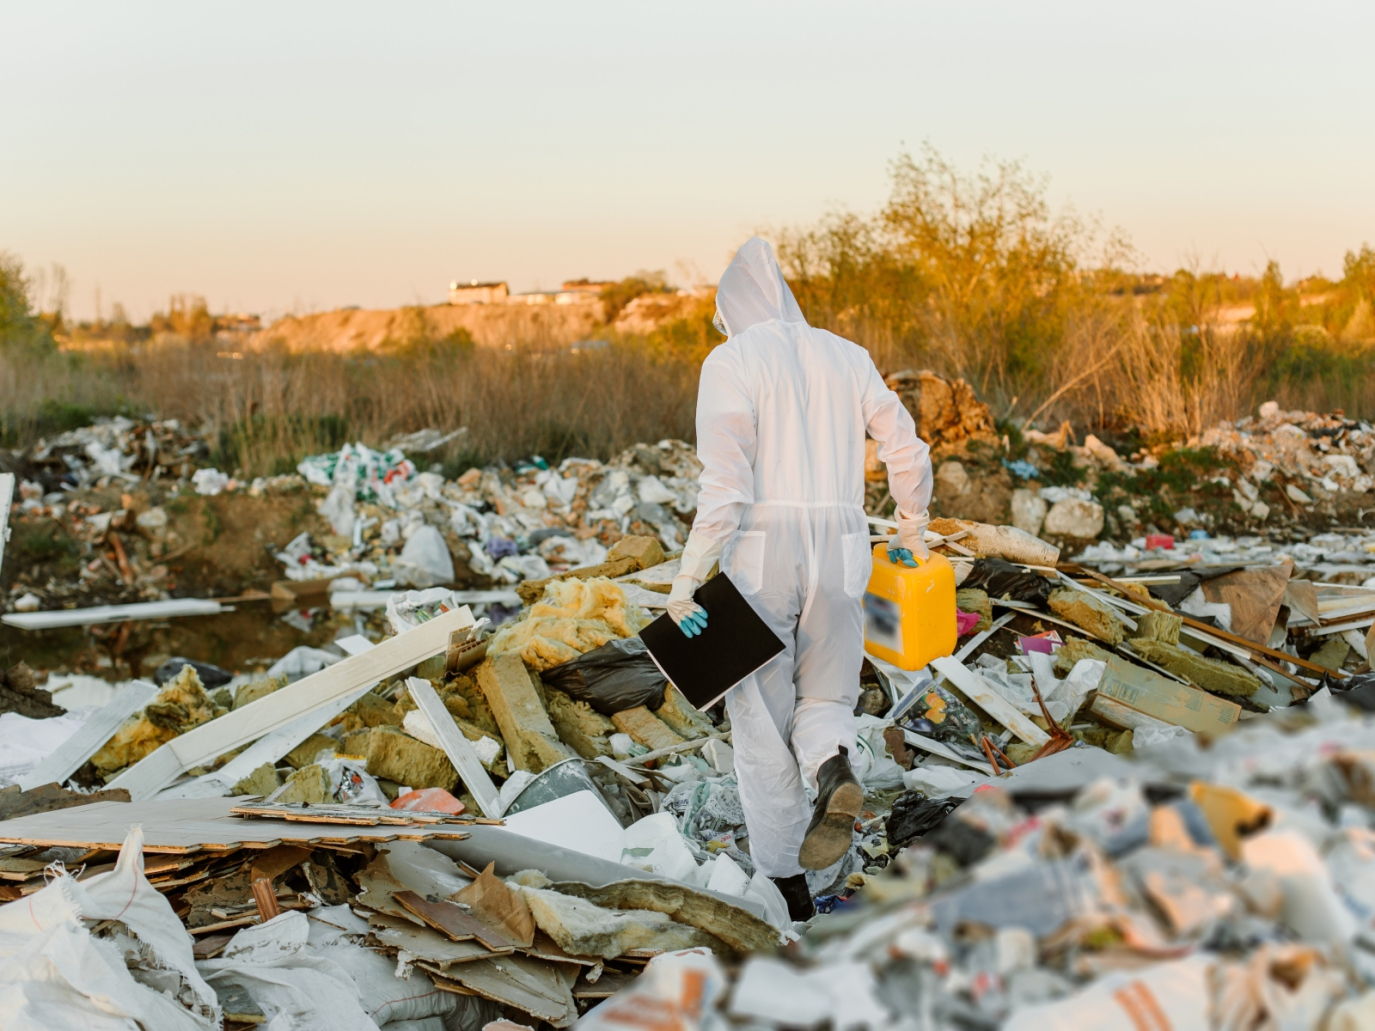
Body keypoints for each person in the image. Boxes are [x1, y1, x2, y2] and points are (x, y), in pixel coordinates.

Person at [666, 237, 933, 921]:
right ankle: (831, 770)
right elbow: (904, 446)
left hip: (763, 546)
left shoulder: (729, 361)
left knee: (759, 716)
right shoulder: (848, 355)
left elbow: (723, 486)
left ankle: (784, 880)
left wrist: (687, 578)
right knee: (827, 694)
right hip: (845, 542)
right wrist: (910, 527)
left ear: (730, 310)